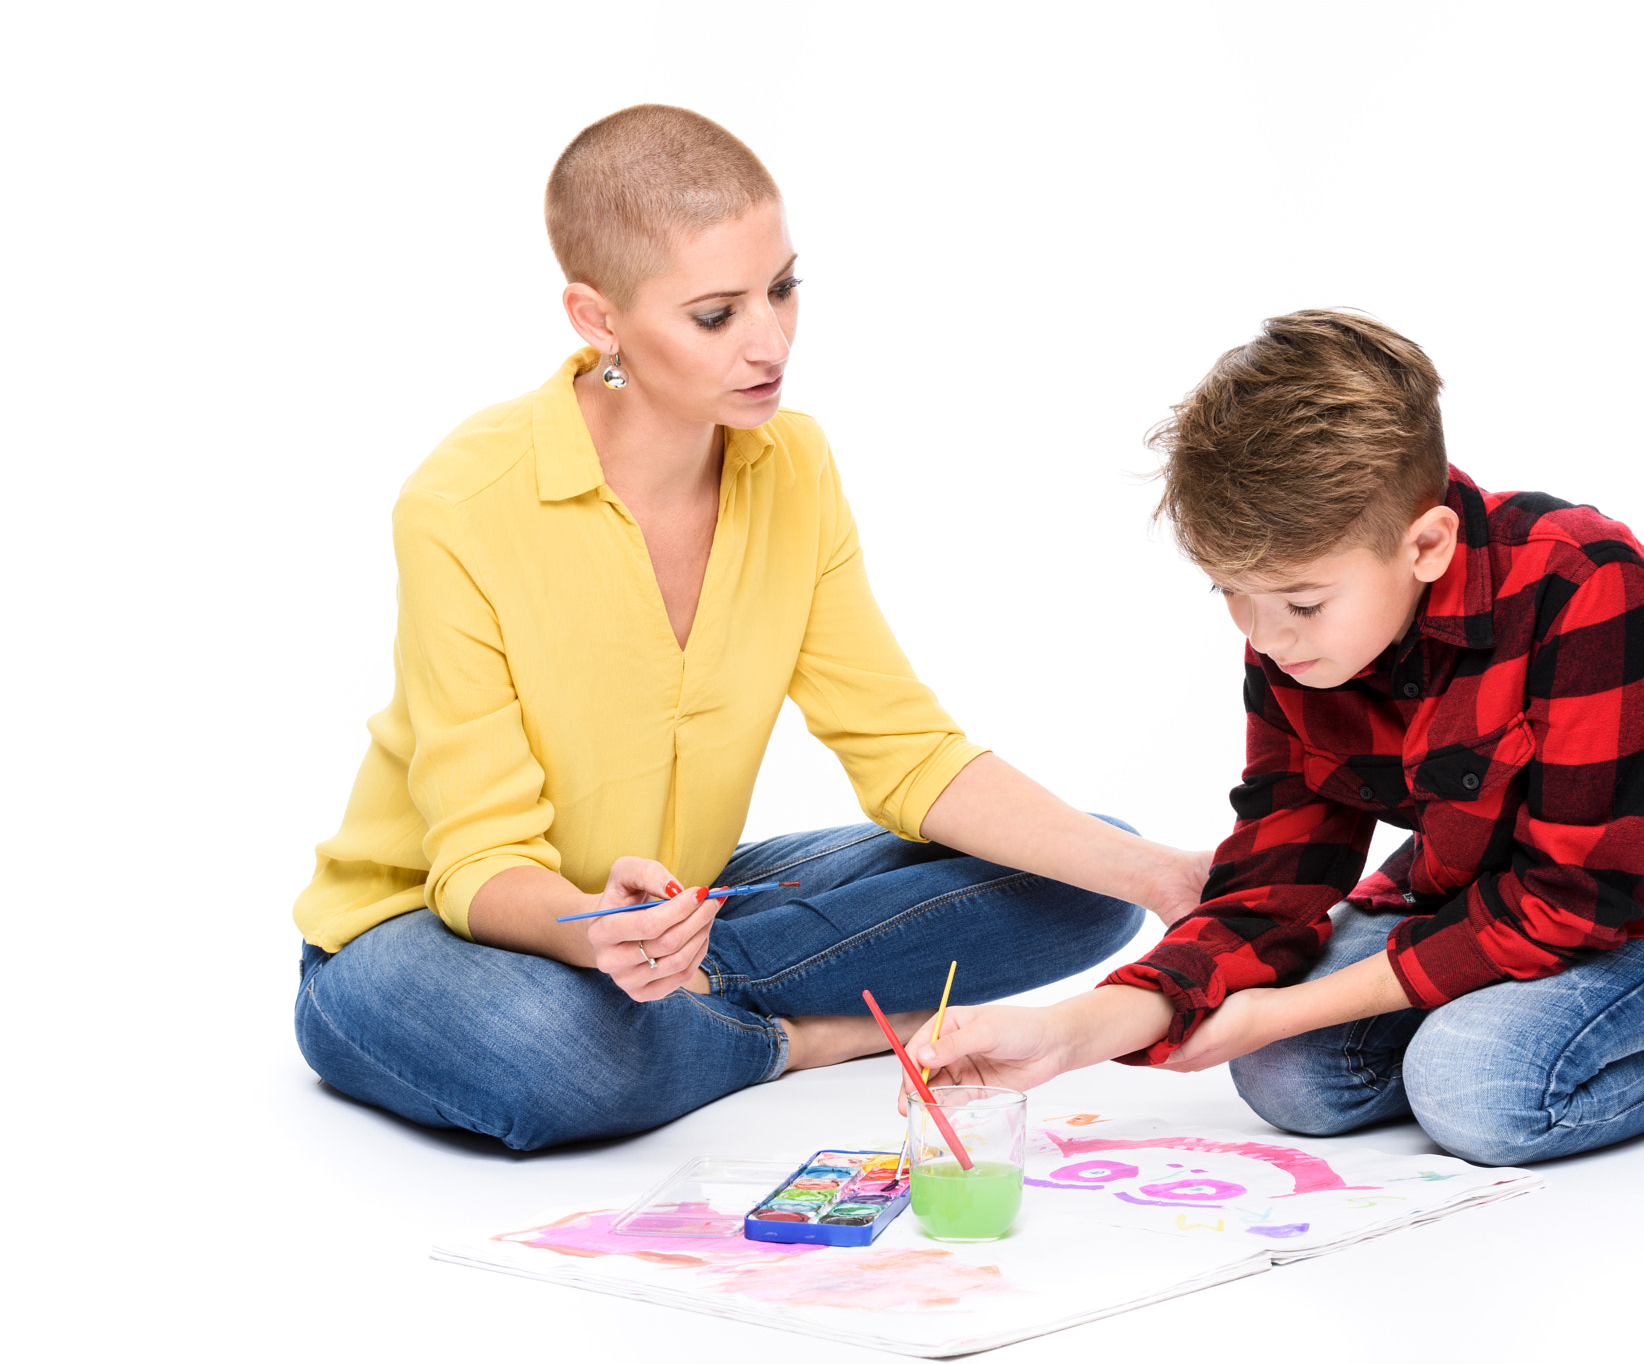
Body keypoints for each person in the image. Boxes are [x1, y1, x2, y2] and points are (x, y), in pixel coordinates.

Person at [291, 105, 1206, 1151]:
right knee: (547, 1047)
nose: (768, 341)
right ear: (596, 318)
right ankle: (800, 1039)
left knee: (1092, 883)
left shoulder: (792, 468)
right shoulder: (462, 505)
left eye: (781, 288)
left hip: (684, 914)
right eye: (715, 315)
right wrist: (594, 939)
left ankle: (688, 1002)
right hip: (436, 936)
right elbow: (476, 858)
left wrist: (1161, 881)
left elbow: (903, 749)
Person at [910, 309, 1644, 1165]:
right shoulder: (1300, 639)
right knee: (1290, 1081)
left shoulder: (1588, 587)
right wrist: (1075, 1029)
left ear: (1424, 544)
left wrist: (1287, 1004)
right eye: (1229, 595)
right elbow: (1275, 875)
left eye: (1296, 601)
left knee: (1480, 1093)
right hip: (1497, 868)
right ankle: (1514, 1017)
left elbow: (1571, 898)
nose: (1260, 637)